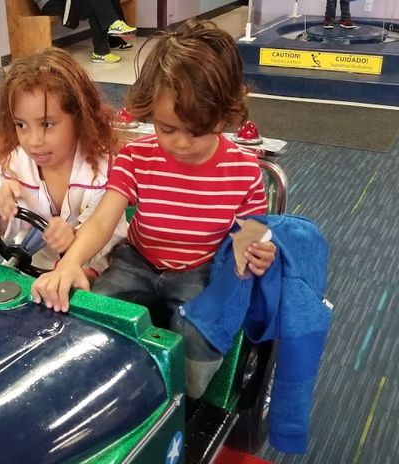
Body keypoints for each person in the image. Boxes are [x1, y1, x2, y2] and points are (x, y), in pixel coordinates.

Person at [31, 19, 277, 399]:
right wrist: (70, 263)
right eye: (167, 128)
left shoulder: (244, 170)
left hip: (198, 270)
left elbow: (253, 229)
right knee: (93, 313)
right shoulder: (137, 156)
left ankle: (182, 401)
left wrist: (260, 250)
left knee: (198, 344)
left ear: (224, 114)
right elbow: (102, 220)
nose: (181, 144)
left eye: (198, 130)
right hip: (137, 262)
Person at [0, 47, 128, 277]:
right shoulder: (17, 165)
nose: (34, 141)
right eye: (21, 125)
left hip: (94, 270)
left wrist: (74, 238)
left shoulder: (103, 169)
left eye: (47, 125)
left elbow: (109, 235)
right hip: (32, 266)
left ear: (79, 118)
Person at [33, 0, 136, 64]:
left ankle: (102, 52)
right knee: (96, 5)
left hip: (66, 2)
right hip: (51, 4)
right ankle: (114, 25)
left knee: (98, 5)